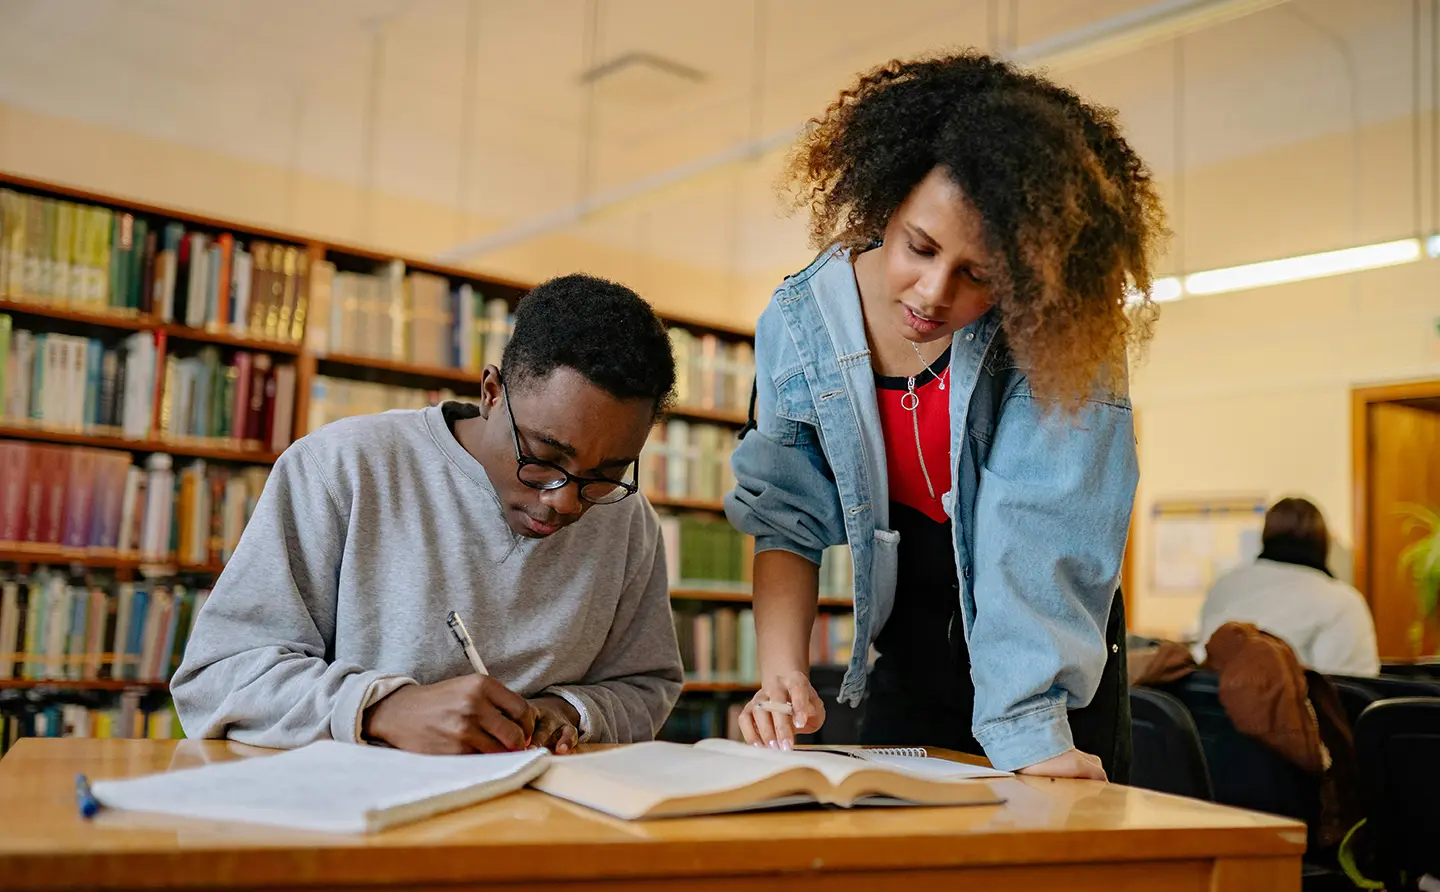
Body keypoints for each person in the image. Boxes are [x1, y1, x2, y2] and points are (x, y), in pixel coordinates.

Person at [725, 53, 1166, 779]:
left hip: (1049, 668)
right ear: (887, 203)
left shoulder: (1059, 331)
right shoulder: (800, 325)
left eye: (979, 274)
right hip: (912, 645)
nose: (933, 292)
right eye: (919, 248)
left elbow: (1042, 529)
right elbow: (785, 516)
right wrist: (782, 674)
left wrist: (1029, 731)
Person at [172, 274, 685, 753]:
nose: (566, 500)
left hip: (539, 825)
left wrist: (566, 711)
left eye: (607, 473)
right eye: (545, 459)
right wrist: (382, 710)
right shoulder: (342, 467)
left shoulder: (628, 520)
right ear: (490, 392)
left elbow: (646, 684)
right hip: (358, 828)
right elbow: (219, 674)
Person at [1198, 497, 1379, 676]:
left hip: (1205, 705)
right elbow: (1350, 689)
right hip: (1292, 704)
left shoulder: (1224, 586)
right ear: (1324, 543)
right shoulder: (1342, 602)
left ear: (1264, 538)